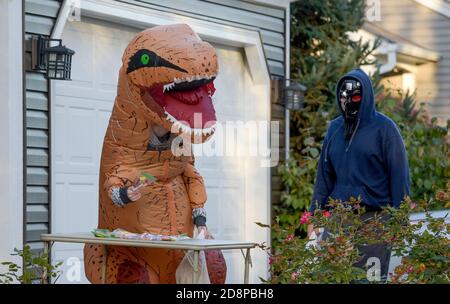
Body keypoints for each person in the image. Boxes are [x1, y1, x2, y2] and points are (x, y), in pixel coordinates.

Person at [308, 68, 410, 281]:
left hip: (376, 221)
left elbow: (399, 176)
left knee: (369, 279)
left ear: (365, 97)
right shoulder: (335, 129)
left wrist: (400, 221)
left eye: (355, 96)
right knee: (332, 276)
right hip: (339, 219)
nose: (349, 102)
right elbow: (324, 176)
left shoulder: (385, 129)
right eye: (344, 97)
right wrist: (314, 215)